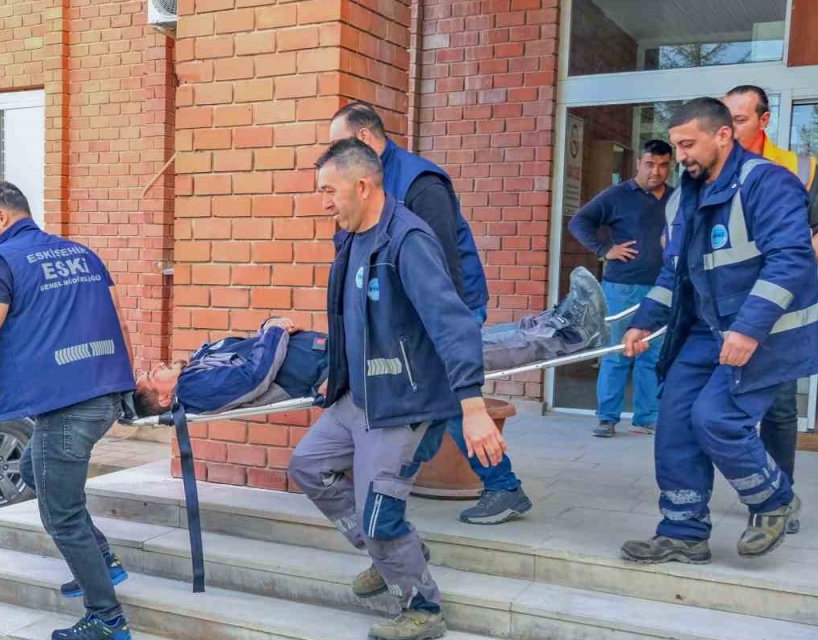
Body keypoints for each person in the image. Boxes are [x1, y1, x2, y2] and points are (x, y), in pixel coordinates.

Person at [286, 138, 500, 640]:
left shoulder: (408, 240)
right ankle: (392, 554)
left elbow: (451, 322)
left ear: (363, 186)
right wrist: (335, 372)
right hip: (358, 398)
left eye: (329, 190)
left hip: (404, 403)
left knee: (380, 513)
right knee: (309, 467)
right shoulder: (351, 240)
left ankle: (422, 607)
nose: (323, 202)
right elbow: (351, 321)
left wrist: (473, 406)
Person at [620, 98, 818, 564]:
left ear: (724, 135)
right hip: (706, 330)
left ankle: (774, 500)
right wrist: (643, 321)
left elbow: (791, 259)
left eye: (688, 144)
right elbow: (676, 273)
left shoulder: (768, 182)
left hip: (764, 334)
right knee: (674, 422)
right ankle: (683, 532)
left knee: (716, 419)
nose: (680, 156)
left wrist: (748, 329)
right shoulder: (685, 197)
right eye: (676, 146)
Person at [0, 181, 137, 640]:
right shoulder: (82, 254)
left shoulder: (2, 261)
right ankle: (102, 561)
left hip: (67, 410)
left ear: (1, 216)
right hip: (102, 397)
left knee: (60, 514)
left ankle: (107, 619)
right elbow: (118, 321)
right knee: (32, 468)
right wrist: (125, 382)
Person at [328, 101, 530, 526]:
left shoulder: (420, 182)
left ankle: (499, 485)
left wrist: (437, 329)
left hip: (444, 306)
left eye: (338, 144)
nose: (333, 156)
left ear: (364, 137)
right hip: (403, 310)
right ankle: (408, 486)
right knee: (434, 398)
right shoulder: (366, 183)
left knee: (448, 393)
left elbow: (442, 266)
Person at [132, 267, 607, 419]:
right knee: (457, 352)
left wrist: (266, 334)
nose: (158, 363)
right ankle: (565, 332)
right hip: (345, 368)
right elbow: (255, 376)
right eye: (153, 374)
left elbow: (246, 350)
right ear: (166, 397)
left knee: (454, 340)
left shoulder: (197, 366)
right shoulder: (196, 390)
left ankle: (553, 325)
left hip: (343, 350)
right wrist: (273, 328)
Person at [723, 86, 818, 534]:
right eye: (725, 120)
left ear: (764, 120)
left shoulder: (798, 169)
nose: (730, 129)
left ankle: (778, 499)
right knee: (711, 408)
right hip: (721, 310)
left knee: (776, 409)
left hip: (777, 311)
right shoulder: (709, 169)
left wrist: (785, 265)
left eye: (739, 119)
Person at [569, 139, 673, 438]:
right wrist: (605, 249)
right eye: (650, 164)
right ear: (638, 163)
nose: (656, 171)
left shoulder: (676, 198)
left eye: (663, 165)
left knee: (652, 356)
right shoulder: (617, 196)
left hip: (663, 288)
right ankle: (607, 418)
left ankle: (647, 417)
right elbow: (579, 222)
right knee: (616, 353)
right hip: (622, 287)